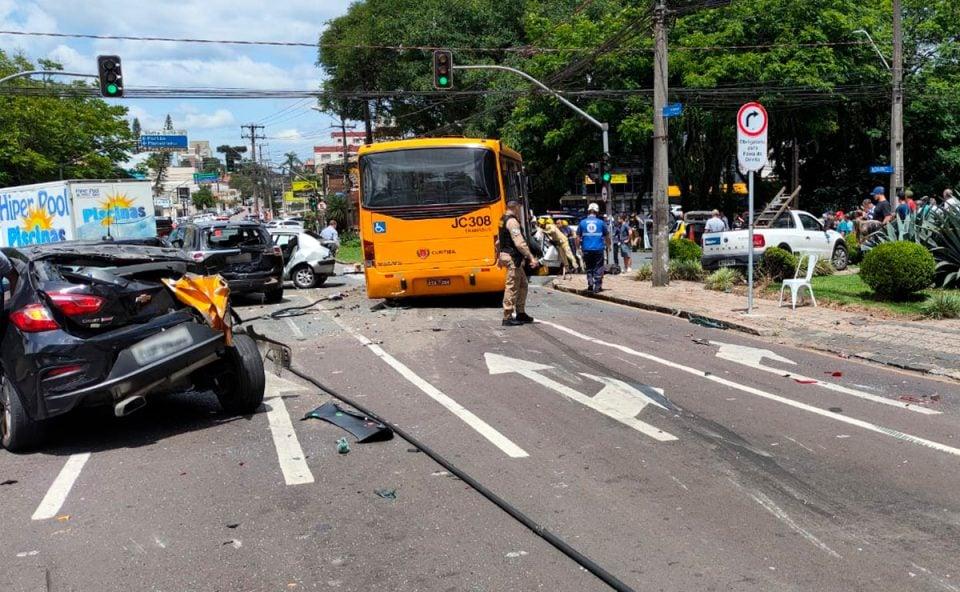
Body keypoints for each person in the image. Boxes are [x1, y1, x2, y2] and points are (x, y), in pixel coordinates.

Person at [496, 200, 539, 326]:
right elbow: (519, 242)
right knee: (512, 286)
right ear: (515, 208)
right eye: (519, 208)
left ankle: (520, 313)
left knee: (523, 285)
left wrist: (499, 256)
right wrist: (531, 257)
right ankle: (507, 316)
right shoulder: (512, 221)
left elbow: (498, 242)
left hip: (507, 256)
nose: (520, 211)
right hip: (513, 258)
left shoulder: (502, 220)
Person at [577, 203, 610, 293]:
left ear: (588, 211)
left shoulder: (582, 222)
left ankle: (590, 282)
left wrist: (578, 248)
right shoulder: (601, 222)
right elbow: (607, 236)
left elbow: (578, 237)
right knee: (598, 267)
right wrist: (609, 246)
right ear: (597, 212)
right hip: (598, 248)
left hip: (586, 249)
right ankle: (597, 286)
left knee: (589, 266)